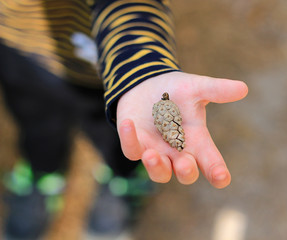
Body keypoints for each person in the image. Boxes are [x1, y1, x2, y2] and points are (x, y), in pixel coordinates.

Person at [0, 0, 248, 238]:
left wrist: (142, 70)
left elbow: (129, 3)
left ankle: (120, 177)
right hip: (17, 50)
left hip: (105, 71)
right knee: (37, 128)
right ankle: (42, 173)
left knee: (121, 136)